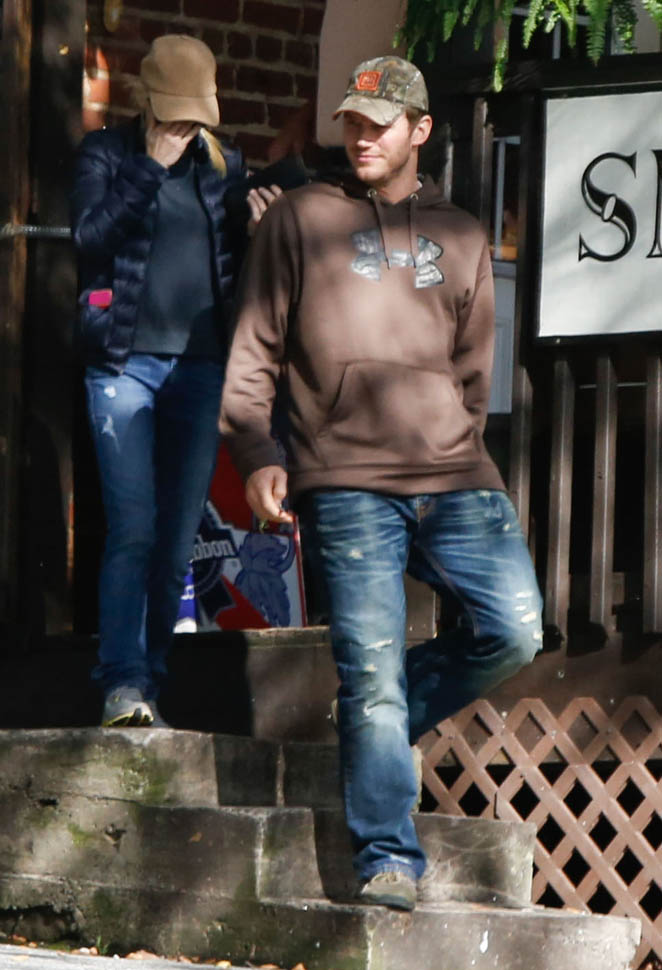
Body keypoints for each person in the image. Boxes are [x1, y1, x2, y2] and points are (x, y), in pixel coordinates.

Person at [219, 56, 543, 911]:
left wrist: (450, 439)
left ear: (419, 130)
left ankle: (372, 726)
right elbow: (253, 352)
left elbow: (472, 373)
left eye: (379, 124)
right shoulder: (298, 219)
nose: (361, 138)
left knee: (515, 630)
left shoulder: (463, 234)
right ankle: (387, 856)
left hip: (455, 475)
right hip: (346, 477)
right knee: (371, 670)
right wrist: (257, 452)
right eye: (353, 123)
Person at [71, 34, 278, 728]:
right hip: (123, 365)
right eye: (175, 113)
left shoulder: (223, 166)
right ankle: (122, 682)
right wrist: (147, 171)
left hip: (201, 368)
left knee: (176, 537)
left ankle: (150, 685)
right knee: (133, 526)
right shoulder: (107, 154)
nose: (186, 127)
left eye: (196, 116)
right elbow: (89, 239)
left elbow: (237, 274)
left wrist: (261, 230)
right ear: (146, 101)